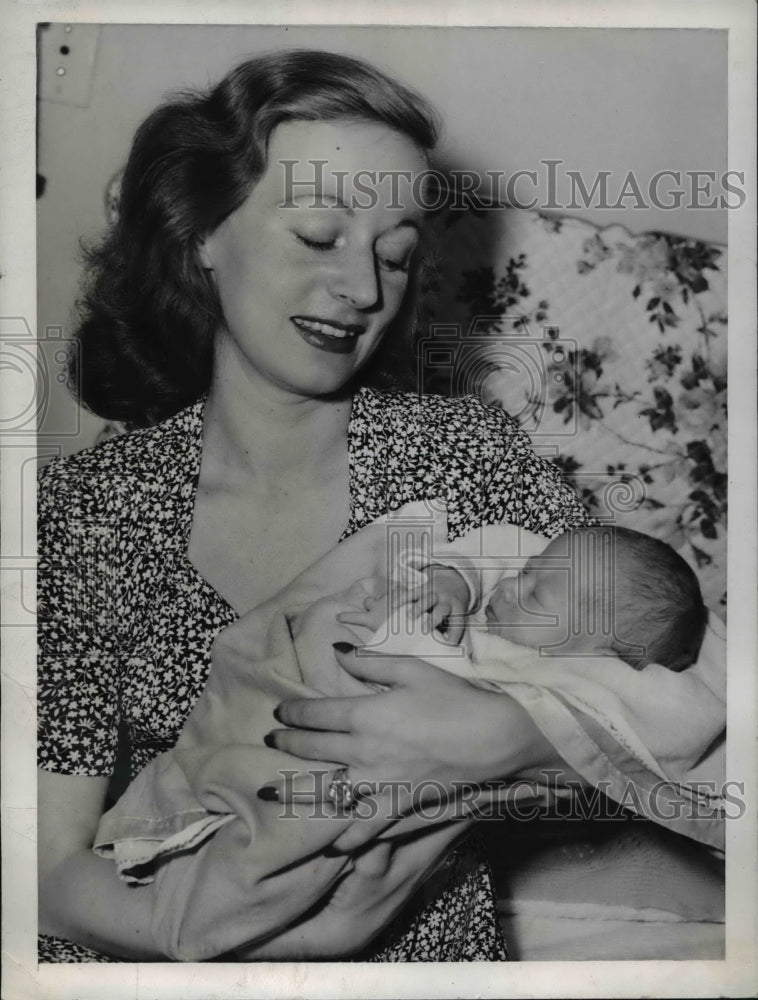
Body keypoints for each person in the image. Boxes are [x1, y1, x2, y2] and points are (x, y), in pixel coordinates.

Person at [37, 49, 725, 964]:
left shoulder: (464, 458)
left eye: (395, 255)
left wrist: (515, 744)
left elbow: (673, 717)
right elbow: (40, 869)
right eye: (320, 235)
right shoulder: (89, 513)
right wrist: (233, 938)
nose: (364, 290)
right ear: (202, 233)